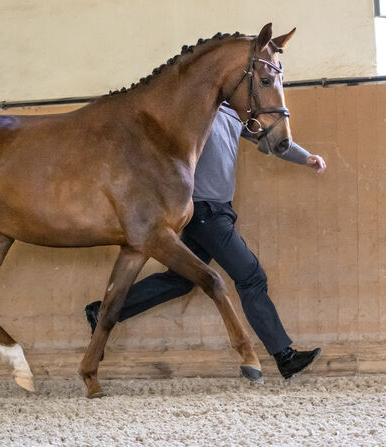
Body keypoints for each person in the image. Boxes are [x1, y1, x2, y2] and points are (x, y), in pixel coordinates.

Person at [85, 103, 326, 380]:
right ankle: (284, 356)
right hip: (202, 211)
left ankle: (101, 311)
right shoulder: (197, 109)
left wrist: (305, 157)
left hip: (219, 208)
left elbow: (270, 140)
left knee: (180, 280)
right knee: (250, 275)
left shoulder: (235, 114)